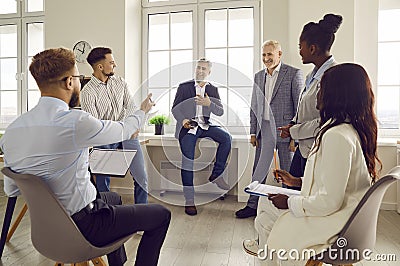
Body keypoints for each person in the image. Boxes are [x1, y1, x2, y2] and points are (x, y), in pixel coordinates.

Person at [0, 48, 171, 266]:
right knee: (161, 214)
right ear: (70, 82)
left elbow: (12, 190)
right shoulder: (75, 122)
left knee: (114, 199)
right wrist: (143, 111)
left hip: (44, 233)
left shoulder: (12, 131)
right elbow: (122, 130)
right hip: (86, 227)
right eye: (79, 78)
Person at [242, 63, 382, 265]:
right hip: (344, 214)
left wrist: (289, 202)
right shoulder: (350, 130)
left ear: (336, 94)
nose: (317, 94)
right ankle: (271, 253)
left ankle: (277, 256)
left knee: (266, 216)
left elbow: (328, 202)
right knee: (265, 203)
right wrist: (297, 181)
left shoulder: (337, 136)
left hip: (334, 221)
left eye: (321, 88)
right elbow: (336, 181)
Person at [235, 40, 303, 219]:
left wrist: (294, 137)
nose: (266, 58)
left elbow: (299, 108)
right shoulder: (258, 76)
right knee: (259, 171)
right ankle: (252, 206)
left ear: (279, 54)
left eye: (270, 54)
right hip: (263, 131)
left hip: (284, 132)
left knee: (288, 172)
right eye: (264, 55)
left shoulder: (293, 74)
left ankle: (289, 208)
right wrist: (252, 131)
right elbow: (254, 106)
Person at [278, 14, 343, 188]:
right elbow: (304, 110)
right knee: (290, 189)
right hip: (304, 147)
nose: (299, 51)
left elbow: (325, 120)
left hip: (318, 149)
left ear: (312, 48)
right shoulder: (311, 75)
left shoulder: (333, 76)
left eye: (301, 46)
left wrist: (294, 131)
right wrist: (292, 125)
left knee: (304, 195)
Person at [81, 47, 149, 204]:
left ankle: (142, 212)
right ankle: (108, 214)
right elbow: (96, 125)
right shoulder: (88, 93)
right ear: (100, 66)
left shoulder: (120, 83)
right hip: (106, 137)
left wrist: (134, 127)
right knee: (102, 180)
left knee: (141, 177)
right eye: (111, 62)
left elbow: (131, 107)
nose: (115, 65)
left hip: (127, 134)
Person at [171, 58, 232, 216]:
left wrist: (208, 104)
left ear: (209, 72)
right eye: (198, 68)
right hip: (188, 126)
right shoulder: (184, 87)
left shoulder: (213, 90)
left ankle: (216, 174)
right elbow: (175, 109)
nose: (200, 71)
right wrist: (183, 120)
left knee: (226, 138)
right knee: (188, 162)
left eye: (204, 69)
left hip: (205, 125)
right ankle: (189, 200)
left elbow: (219, 111)